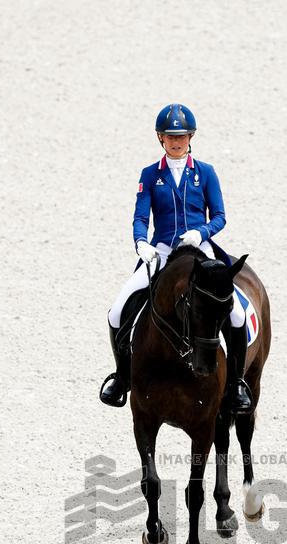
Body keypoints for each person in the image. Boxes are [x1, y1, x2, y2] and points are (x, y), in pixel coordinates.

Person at [99, 103, 253, 413]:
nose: (176, 142)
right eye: (170, 137)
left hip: (199, 249)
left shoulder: (206, 173)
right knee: (117, 311)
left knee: (235, 313)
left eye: (181, 136)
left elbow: (221, 216)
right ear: (160, 138)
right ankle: (122, 377)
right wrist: (141, 242)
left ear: (191, 136)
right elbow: (141, 216)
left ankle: (236, 383)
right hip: (163, 251)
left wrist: (202, 232)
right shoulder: (149, 175)